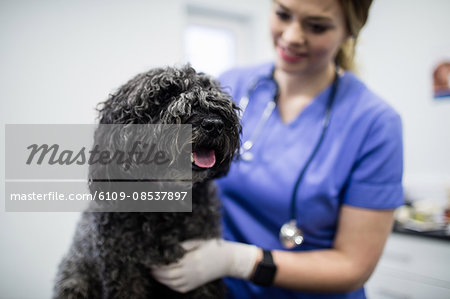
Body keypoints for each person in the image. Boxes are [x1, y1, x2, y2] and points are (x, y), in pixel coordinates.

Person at [152, 0, 404, 298]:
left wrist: (238, 261)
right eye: (283, 14)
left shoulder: (374, 122)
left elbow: (353, 265)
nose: (292, 35)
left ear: (351, 30)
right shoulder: (232, 85)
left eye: (317, 26)